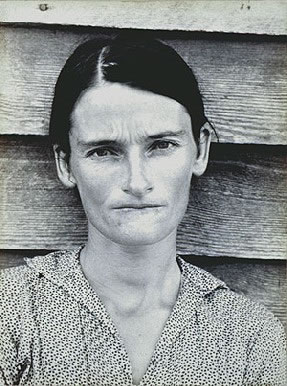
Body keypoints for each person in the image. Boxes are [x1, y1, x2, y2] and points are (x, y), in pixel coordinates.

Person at [0, 33, 286, 386]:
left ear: (199, 150)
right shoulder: (12, 313)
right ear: (65, 163)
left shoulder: (250, 339)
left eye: (161, 145)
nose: (137, 182)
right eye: (104, 151)